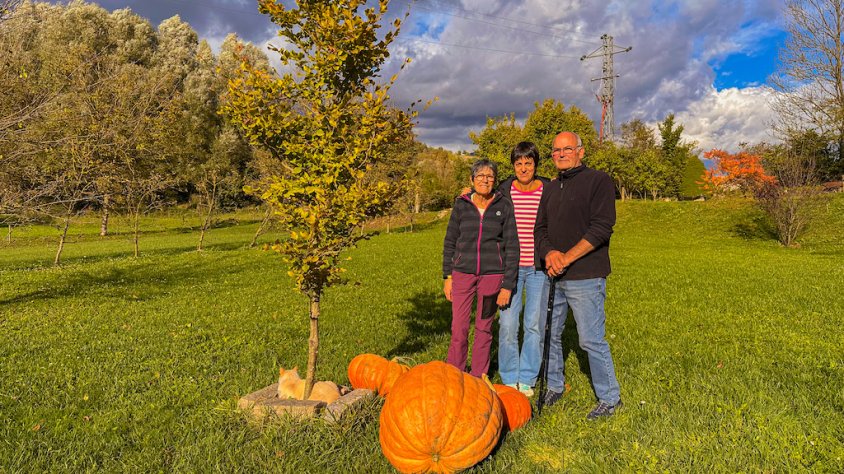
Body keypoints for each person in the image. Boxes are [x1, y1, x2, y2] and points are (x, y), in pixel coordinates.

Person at [534, 131, 622, 419]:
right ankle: (556, 385)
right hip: (553, 274)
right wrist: (549, 254)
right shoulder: (550, 187)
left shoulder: (598, 181)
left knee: (590, 339)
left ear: (580, 151)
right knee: (549, 333)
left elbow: (601, 228)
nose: (560, 154)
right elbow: (541, 230)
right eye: (556, 150)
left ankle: (610, 398)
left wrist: (566, 258)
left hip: (585, 275)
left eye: (567, 148)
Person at [442, 158, 519, 378]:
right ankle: (455, 374)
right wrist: (448, 276)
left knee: (484, 328)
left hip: (492, 277)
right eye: (480, 176)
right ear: (472, 179)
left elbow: (512, 246)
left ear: (495, 180)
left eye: (489, 176)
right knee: (459, 328)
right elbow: (450, 241)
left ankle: (478, 376)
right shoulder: (462, 204)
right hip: (462, 274)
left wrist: (507, 285)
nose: (485, 180)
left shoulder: (503, 206)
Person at [496, 142, 551, 397]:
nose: (524, 168)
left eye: (528, 163)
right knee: (508, 323)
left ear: (536, 164)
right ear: (514, 166)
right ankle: (509, 377)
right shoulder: (504, 191)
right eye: (519, 163)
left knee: (533, 324)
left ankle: (527, 377)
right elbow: (483, 203)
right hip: (512, 268)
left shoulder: (548, 190)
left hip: (539, 268)